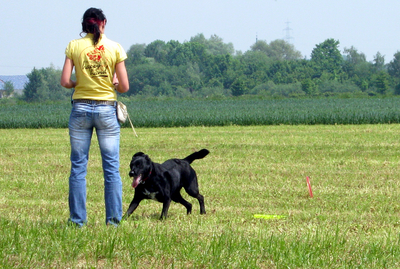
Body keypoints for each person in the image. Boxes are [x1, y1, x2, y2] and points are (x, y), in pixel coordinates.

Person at [60, 7, 129, 227]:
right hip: (106, 110)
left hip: (80, 108)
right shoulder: (115, 47)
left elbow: (64, 81)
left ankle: (78, 220)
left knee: (78, 167)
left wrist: (76, 83)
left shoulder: (74, 46)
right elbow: (124, 86)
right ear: (103, 23)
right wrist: (114, 83)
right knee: (111, 168)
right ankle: (113, 221)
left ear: (84, 25)